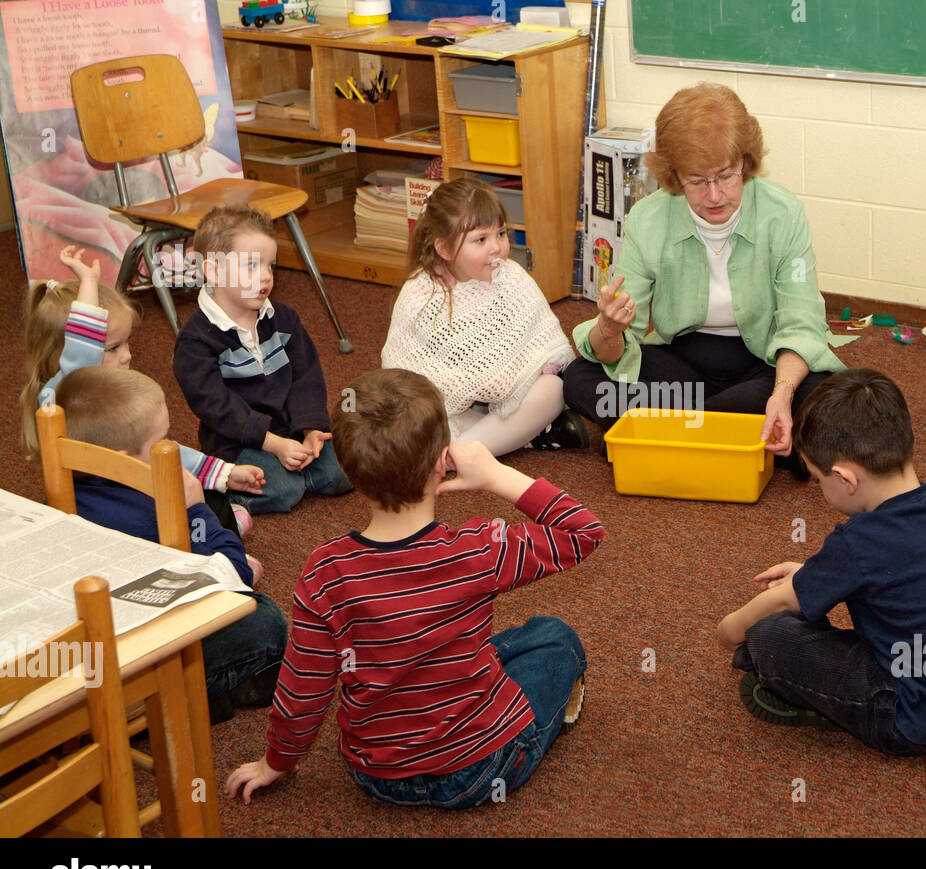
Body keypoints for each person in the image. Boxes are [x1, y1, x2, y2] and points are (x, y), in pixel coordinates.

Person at [224, 368, 603, 809]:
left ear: (348, 470)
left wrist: (278, 762)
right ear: (444, 461)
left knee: (503, 644)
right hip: (478, 768)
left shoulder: (324, 570)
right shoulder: (477, 551)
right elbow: (583, 532)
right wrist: (497, 476)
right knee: (557, 639)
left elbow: (303, 687)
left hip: (375, 773)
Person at [716, 368, 926, 754]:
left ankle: (828, 710)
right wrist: (809, 576)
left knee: (770, 634)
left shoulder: (858, 541)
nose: (819, 488)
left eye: (817, 479)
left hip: (912, 715)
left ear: (845, 479)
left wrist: (728, 630)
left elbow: (781, 601)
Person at [561, 83, 844, 469]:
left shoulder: (783, 213)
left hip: (765, 364)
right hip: (682, 371)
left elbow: (802, 324)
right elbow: (619, 347)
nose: (714, 195)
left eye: (726, 175)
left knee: (835, 394)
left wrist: (781, 393)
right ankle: (746, 435)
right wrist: (608, 330)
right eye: (697, 180)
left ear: (746, 162)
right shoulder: (648, 218)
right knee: (580, 379)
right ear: (674, 176)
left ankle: (666, 435)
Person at [55, 366, 285, 724]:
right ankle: (188, 700)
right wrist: (195, 510)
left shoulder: (64, 481)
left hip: (92, 634)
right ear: (123, 458)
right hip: (139, 652)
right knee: (264, 620)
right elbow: (233, 576)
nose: (172, 450)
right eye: (162, 443)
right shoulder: (153, 513)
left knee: (218, 504)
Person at [20, 244, 264, 536]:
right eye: (112, 348)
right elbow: (83, 351)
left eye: (126, 343)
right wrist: (88, 284)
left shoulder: (105, 391)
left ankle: (223, 525)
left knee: (202, 489)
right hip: (113, 506)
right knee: (198, 505)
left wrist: (221, 472)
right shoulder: (66, 391)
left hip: (120, 494)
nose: (127, 356)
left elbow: (159, 451)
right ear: (67, 351)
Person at [381, 178, 586, 455]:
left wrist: (538, 366)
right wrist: (477, 381)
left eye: (500, 234)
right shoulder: (420, 293)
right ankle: (512, 440)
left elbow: (541, 341)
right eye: (480, 239)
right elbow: (406, 374)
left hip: (508, 400)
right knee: (415, 416)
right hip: (451, 407)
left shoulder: (510, 276)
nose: (496, 247)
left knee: (552, 390)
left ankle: (455, 455)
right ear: (444, 248)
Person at [173, 205, 351, 514]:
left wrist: (310, 429)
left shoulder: (284, 318)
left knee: (348, 468)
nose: (266, 277)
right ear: (214, 270)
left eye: (271, 266)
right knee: (283, 491)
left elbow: (306, 377)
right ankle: (221, 484)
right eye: (252, 266)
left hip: (290, 429)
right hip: (237, 442)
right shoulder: (195, 340)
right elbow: (217, 407)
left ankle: (301, 471)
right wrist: (273, 444)